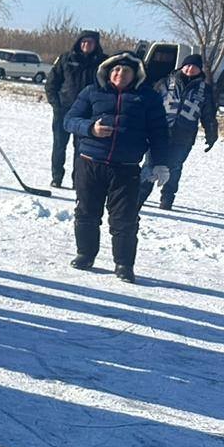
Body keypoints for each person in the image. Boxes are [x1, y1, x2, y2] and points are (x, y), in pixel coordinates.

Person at [65, 52, 169, 281]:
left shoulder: (148, 98)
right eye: (116, 69)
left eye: (126, 70)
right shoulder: (91, 92)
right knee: (86, 212)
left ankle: (123, 264)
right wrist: (91, 129)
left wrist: (161, 163)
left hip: (126, 168)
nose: (120, 73)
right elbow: (69, 120)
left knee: (125, 219)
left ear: (136, 75)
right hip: (90, 164)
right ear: (107, 72)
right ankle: (85, 254)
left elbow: (160, 134)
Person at [140, 53, 218, 210]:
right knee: (150, 165)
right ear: (182, 66)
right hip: (159, 133)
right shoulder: (164, 83)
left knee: (174, 167)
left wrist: (211, 134)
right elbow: (148, 106)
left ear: (200, 70)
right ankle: (139, 196)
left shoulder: (205, 90)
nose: (190, 69)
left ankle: (167, 199)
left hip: (184, 136)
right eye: (187, 65)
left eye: (194, 66)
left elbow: (209, 115)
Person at [45, 30, 103, 187]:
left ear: (96, 44)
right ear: (79, 43)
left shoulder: (101, 62)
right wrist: (56, 104)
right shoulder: (66, 58)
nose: (86, 45)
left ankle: (77, 180)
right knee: (59, 146)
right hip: (64, 110)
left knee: (81, 149)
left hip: (87, 114)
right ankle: (57, 177)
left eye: (90, 42)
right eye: (84, 41)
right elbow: (51, 83)